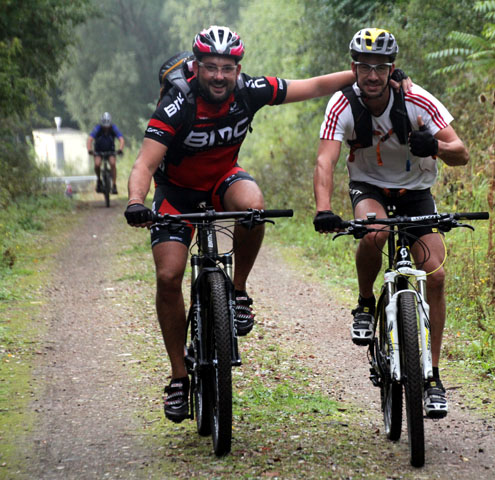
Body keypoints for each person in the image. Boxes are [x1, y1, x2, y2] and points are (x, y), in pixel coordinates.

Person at [123, 26, 408, 424]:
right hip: (177, 192)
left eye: (227, 68)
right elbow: (144, 164)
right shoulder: (177, 102)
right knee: (169, 276)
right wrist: (137, 202)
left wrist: (368, 75)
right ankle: (178, 376)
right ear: (196, 66)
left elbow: (311, 86)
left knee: (254, 207)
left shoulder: (250, 90)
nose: (219, 76)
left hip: (224, 180)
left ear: (238, 68)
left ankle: (237, 292)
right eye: (210, 68)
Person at [312, 28, 469, 419]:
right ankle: (366, 304)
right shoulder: (342, 104)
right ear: (353, 68)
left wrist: (434, 146)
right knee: (374, 231)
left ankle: (432, 376)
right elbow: (325, 161)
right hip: (369, 188)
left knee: (435, 276)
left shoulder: (417, 100)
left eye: (380, 68)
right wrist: (323, 208)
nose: (372, 75)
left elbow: (461, 153)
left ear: (391, 69)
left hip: (416, 192)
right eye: (364, 67)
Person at [87, 112, 125, 194]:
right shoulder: (97, 128)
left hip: (110, 150)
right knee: (97, 164)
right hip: (99, 151)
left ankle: (114, 185)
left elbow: (121, 139)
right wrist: (90, 150)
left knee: (112, 163)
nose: (106, 128)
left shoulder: (113, 128)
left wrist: (120, 149)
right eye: (104, 127)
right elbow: (90, 139)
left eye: (107, 127)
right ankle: (99, 180)